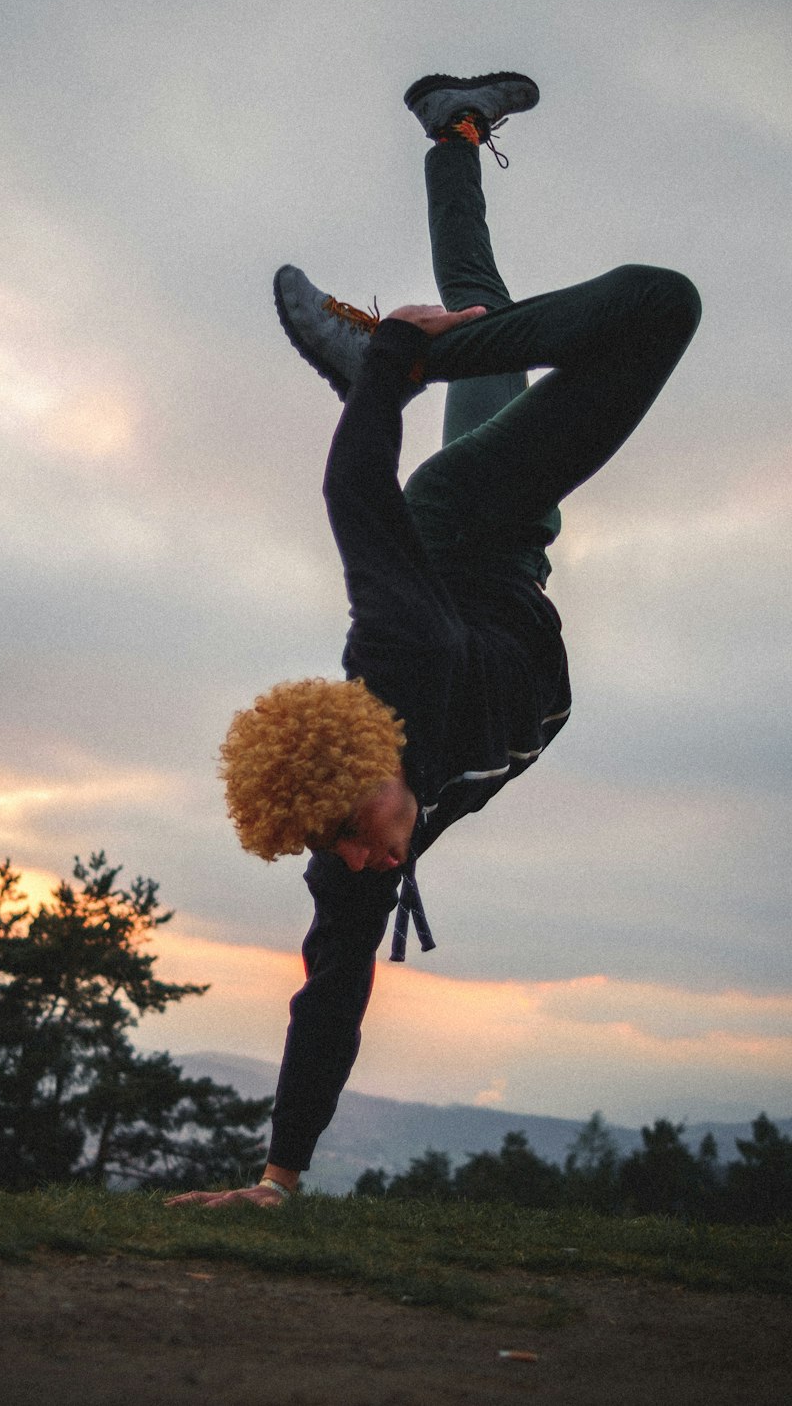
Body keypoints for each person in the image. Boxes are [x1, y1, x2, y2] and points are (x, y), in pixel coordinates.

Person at [167, 71, 700, 1209]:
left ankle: (394, 350)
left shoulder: (396, 656)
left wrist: (397, 375)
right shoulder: (349, 845)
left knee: (660, 302)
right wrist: (277, 1180)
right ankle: (452, 128)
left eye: (351, 834)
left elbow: (357, 493)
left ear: (367, 759)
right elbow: (330, 994)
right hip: (515, 556)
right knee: (483, 297)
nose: (362, 861)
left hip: (466, 517)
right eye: (338, 853)